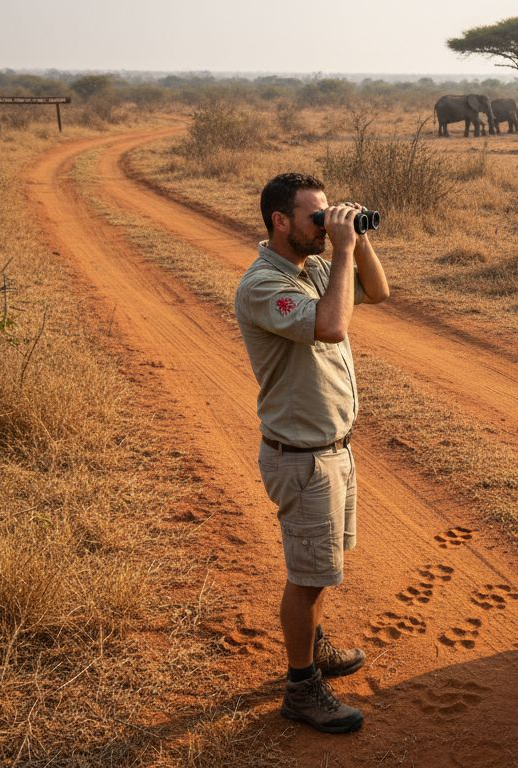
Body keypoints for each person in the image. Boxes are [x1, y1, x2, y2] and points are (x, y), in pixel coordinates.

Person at [234, 172, 389, 733]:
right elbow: (331, 325)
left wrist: (360, 239)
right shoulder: (260, 286)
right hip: (300, 458)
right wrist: (343, 247)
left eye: (330, 214)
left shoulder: (314, 266)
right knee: (306, 577)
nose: (326, 226)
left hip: (333, 450)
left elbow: (378, 293)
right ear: (280, 222)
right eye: (315, 218)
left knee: (322, 570)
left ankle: (314, 645)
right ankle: (301, 687)